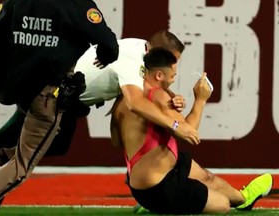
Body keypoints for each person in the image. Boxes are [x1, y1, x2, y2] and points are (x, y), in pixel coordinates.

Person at [0, 30, 199, 166]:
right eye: (172, 61)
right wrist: (174, 124)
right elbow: (135, 102)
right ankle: (4, 162)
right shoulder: (130, 59)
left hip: (66, 97)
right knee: (21, 138)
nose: (173, 67)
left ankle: (4, 159)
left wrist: (172, 97)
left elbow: (150, 83)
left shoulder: (144, 50)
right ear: (158, 52)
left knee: (46, 141)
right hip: (53, 93)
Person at [110, 48, 273, 214]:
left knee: (206, 177)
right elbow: (189, 132)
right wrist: (200, 99)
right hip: (159, 188)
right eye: (172, 76)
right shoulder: (158, 96)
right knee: (222, 205)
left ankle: (245, 199)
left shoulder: (126, 97)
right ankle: (159, 206)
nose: (173, 80)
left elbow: (116, 140)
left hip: (149, 177)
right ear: (159, 76)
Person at [0, 0, 119, 211]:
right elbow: (110, 46)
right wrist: (103, 57)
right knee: (22, 167)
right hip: (47, 95)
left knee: (55, 143)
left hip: (20, 89)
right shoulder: (77, 5)